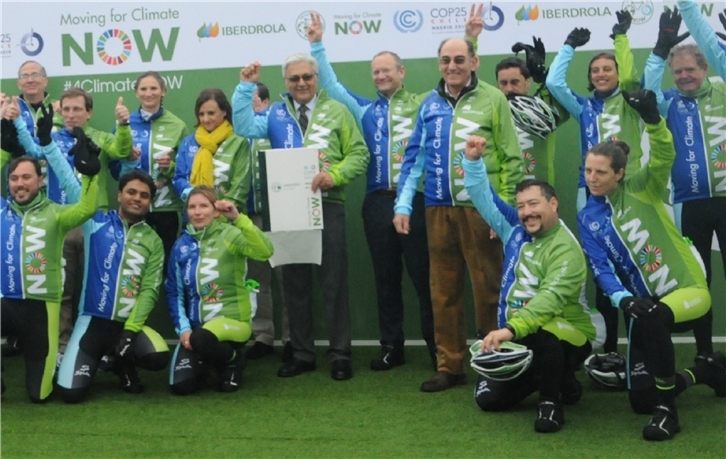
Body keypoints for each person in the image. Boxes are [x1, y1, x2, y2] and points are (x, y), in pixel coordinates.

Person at [305, 8, 482, 370]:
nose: (382, 75)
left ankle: (438, 348)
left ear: (402, 73)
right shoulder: (364, 109)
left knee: (425, 277)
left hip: (418, 202)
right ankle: (392, 347)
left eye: (388, 69)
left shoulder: (422, 103)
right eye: (376, 71)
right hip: (376, 204)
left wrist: (471, 38)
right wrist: (317, 45)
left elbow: (459, 77)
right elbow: (333, 85)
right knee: (385, 278)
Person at [578, 89, 725, 441]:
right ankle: (704, 372)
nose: (592, 178)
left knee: (656, 322)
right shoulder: (587, 217)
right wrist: (622, 300)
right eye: (587, 171)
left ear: (619, 173)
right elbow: (600, 268)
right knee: (641, 399)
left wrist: (654, 121)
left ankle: (667, 413)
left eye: (601, 172)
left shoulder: (644, 186)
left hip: (688, 289)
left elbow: (664, 154)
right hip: (642, 309)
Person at [393, 37, 524, 392]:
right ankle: (450, 366)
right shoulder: (428, 104)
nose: (452, 66)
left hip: (483, 210)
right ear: (439, 63)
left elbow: (512, 158)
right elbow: (414, 157)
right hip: (437, 209)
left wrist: (505, 215)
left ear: (474, 61)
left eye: (459, 59)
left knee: (489, 289)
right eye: (446, 60)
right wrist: (403, 204)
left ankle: (493, 361)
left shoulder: (493, 99)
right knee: (443, 291)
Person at [233, 53, 369, 381]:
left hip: (329, 204)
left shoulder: (337, 110)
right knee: (293, 283)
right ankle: (303, 353)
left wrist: (334, 175)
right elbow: (243, 125)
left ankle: (340, 354)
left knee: (334, 282)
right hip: (286, 207)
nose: (301, 83)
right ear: (286, 83)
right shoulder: (275, 112)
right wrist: (244, 87)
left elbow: (360, 153)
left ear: (316, 78)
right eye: (294, 79)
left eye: (307, 77)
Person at [463, 134, 605, 433]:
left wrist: (507, 330)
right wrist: (473, 162)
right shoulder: (514, 229)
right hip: (517, 332)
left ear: (553, 203)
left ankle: (550, 403)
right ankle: (558, 379)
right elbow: (483, 197)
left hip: (571, 331)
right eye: (521, 206)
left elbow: (548, 301)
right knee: (489, 400)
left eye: (534, 204)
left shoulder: (566, 248)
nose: (526, 212)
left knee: (545, 329)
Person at [36, 134, 169, 402]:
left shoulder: (153, 240)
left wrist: (131, 330)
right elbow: (71, 183)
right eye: (131, 192)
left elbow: (149, 291)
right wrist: (50, 146)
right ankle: (103, 358)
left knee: (157, 357)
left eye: (144, 196)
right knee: (70, 394)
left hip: (127, 325)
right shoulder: (96, 222)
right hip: (92, 323)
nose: (137, 199)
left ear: (149, 202)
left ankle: (122, 361)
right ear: (119, 195)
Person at [546, 10, 648, 355]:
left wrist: (621, 39)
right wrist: (568, 47)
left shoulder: (631, 102)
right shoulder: (584, 108)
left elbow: (634, 77)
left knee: (633, 264)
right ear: (590, 78)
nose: (601, 74)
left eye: (608, 69)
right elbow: (555, 85)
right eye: (595, 71)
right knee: (602, 267)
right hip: (587, 194)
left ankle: (640, 344)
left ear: (617, 73)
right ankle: (609, 350)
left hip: (628, 193)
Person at [8, 88, 132, 364]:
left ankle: (99, 349)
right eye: (67, 110)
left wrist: (123, 125)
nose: (72, 115)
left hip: (93, 224)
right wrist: (17, 120)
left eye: (78, 109)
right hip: (59, 224)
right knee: (62, 291)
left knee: (98, 290)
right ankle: (62, 347)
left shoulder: (99, 137)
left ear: (89, 113)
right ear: (60, 112)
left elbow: (122, 150)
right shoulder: (50, 139)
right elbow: (30, 148)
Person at [644, 0, 726, 361]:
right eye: (677, 72)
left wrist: (689, 6)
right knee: (699, 282)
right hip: (689, 204)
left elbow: (713, 47)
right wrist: (660, 52)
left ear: (704, 68)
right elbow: (646, 90)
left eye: (689, 70)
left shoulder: (723, 92)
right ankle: (705, 353)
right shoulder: (669, 102)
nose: (683, 77)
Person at [0, 123, 99, 403]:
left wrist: (92, 177)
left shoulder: (56, 213)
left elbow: (87, 208)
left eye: (26, 178)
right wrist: (4, 152)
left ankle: (35, 366)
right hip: (6, 302)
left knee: (39, 395)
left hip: (41, 309)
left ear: (40, 181)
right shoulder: (1, 210)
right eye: (14, 178)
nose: (20, 183)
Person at [166, 186, 274, 394]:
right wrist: (184, 329)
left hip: (234, 323)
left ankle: (233, 361)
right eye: (192, 207)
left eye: (204, 206)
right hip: (197, 331)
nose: (197, 212)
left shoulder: (230, 234)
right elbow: (174, 292)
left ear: (216, 211)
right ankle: (212, 361)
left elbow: (265, 251)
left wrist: (238, 218)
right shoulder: (181, 245)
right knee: (181, 387)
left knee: (202, 338)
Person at [114, 71, 189, 263]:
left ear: (163, 91)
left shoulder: (177, 125)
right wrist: (127, 160)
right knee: (134, 262)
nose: (149, 93)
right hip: (134, 206)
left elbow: (186, 170)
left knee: (167, 264)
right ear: (136, 93)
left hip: (167, 208)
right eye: (143, 89)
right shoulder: (124, 124)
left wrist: (169, 167)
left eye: (154, 88)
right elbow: (113, 167)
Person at [244, 82, 291, 362]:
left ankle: (291, 338)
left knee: (288, 278)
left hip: (284, 212)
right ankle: (262, 335)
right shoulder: (237, 131)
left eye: (251, 101)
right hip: (251, 215)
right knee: (256, 279)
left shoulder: (277, 125)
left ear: (264, 101)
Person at [496, 36, 568, 184]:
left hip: (542, 195)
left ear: (527, 82)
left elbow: (562, 112)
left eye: (515, 82)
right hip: (506, 195)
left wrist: (541, 80)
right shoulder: (493, 113)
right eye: (503, 83)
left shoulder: (542, 112)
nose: (509, 88)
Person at [173, 88, 250, 214]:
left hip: (228, 218)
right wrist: (195, 199)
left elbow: (240, 186)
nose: (206, 119)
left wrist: (220, 211)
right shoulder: (188, 142)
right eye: (201, 114)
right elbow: (179, 178)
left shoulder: (239, 143)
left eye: (211, 113)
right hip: (195, 217)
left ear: (224, 111)